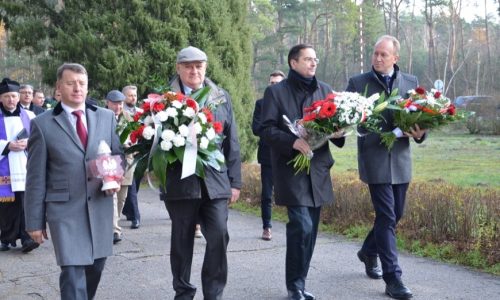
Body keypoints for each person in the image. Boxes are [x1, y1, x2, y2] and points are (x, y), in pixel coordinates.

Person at [24, 63, 122, 300]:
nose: (77, 88)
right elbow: (35, 176)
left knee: (95, 267)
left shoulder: (106, 117)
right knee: (72, 271)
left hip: (99, 206)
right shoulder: (43, 124)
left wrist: (115, 177)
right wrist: (34, 222)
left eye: (82, 83)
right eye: (71, 83)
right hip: (64, 211)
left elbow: (117, 157)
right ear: (59, 87)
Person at [260, 44, 345, 300]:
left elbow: (337, 133)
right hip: (291, 168)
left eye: (315, 59)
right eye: (308, 59)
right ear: (293, 63)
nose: (313, 63)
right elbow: (265, 129)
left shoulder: (325, 90)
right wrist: (292, 142)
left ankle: (300, 282)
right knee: (302, 225)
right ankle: (294, 286)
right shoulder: (275, 92)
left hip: (318, 168)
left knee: (312, 230)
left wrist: (339, 132)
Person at [346, 35, 426, 300]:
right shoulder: (358, 83)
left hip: (401, 161)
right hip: (375, 158)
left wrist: (419, 133)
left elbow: (421, 120)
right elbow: (354, 123)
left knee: (396, 214)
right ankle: (394, 278)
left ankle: (369, 250)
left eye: (383, 55)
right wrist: (386, 131)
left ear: (396, 58)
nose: (378, 58)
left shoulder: (411, 83)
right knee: (387, 216)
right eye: (375, 53)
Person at [160, 46, 241, 300]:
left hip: (215, 183)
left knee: (219, 236)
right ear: (178, 68)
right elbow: (153, 144)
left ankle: (213, 293)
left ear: (205, 67)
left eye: (199, 66)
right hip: (180, 183)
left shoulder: (220, 96)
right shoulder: (164, 100)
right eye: (188, 66)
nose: (194, 70)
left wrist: (235, 182)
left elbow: (232, 141)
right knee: (182, 241)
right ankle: (183, 291)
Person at [0, 78, 38, 253]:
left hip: (24, 165)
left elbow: (40, 138)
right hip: (5, 166)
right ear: (1, 98)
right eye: (7, 96)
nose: (11, 100)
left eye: (14, 96)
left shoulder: (29, 116)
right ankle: (6, 239)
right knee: (8, 206)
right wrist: (7, 146)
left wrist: (29, 142)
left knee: (25, 203)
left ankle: (27, 238)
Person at [252, 70, 286, 241]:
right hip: (267, 155)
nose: (274, 86)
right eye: (271, 83)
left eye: (277, 83)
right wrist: (274, 133)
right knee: (267, 193)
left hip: (288, 153)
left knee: (292, 192)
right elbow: (256, 128)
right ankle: (267, 227)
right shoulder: (261, 104)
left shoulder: (289, 103)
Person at [105, 90, 134, 244]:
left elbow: (137, 134)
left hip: (126, 161)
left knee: (122, 197)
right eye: (115, 103)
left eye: (120, 103)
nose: (118, 107)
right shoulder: (102, 117)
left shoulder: (129, 118)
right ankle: (114, 230)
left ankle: (114, 223)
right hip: (110, 161)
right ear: (107, 102)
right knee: (112, 196)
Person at [121, 85, 142, 229]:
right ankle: (135, 216)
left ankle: (128, 211)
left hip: (141, 152)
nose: (133, 98)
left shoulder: (142, 112)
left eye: (134, 95)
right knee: (131, 185)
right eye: (130, 95)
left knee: (135, 184)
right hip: (127, 152)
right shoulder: (120, 113)